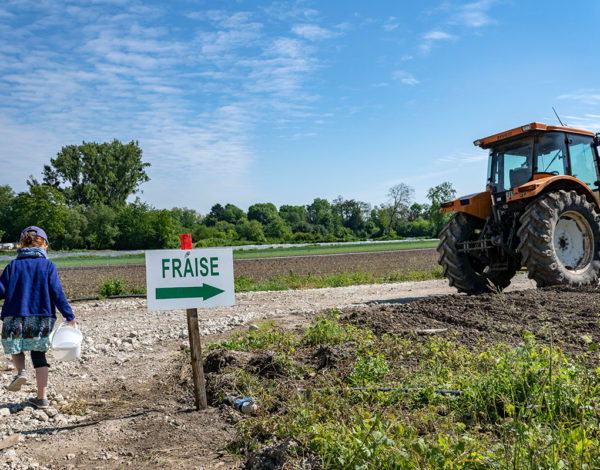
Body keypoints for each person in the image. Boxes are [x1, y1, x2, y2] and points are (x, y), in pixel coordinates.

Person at [0, 226, 76, 409]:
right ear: (44, 245)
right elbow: (57, 293)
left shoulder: (13, 266)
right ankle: (41, 398)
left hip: (14, 315)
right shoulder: (48, 266)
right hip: (41, 316)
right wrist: (69, 315)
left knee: (16, 346)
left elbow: (1, 291)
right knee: (38, 354)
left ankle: (21, 372)